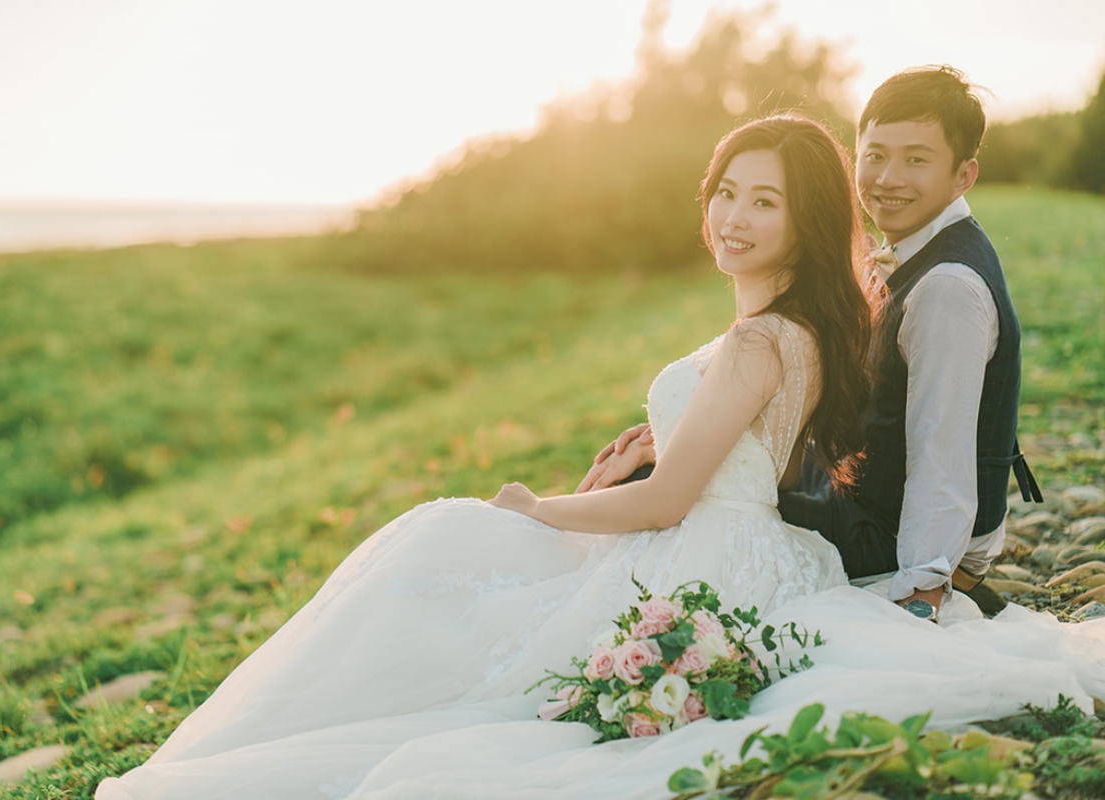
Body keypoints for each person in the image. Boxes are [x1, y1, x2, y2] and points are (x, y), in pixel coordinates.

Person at [95, 113, 1099, 800]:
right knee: (454, 568)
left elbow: (669, 503)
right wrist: (631, 471)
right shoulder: (786, 328)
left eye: (766, 202)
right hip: (729, 543)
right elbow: (726, 456)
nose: (734, 219)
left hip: (704, 553)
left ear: (805, 220)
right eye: (727, 193)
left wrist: (538, 508)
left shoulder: (761, 339)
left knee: (443, 541)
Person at [589, 66, 1042, 621]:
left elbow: (940, 455)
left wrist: (924, 591)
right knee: (660, 481)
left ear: (964, 174)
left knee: (658, 501)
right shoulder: (910, 251)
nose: (888, 177)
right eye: (875, 155)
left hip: (890, 536)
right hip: (865, 498)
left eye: (917, 159)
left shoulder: (947, 287)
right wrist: (682, 442)